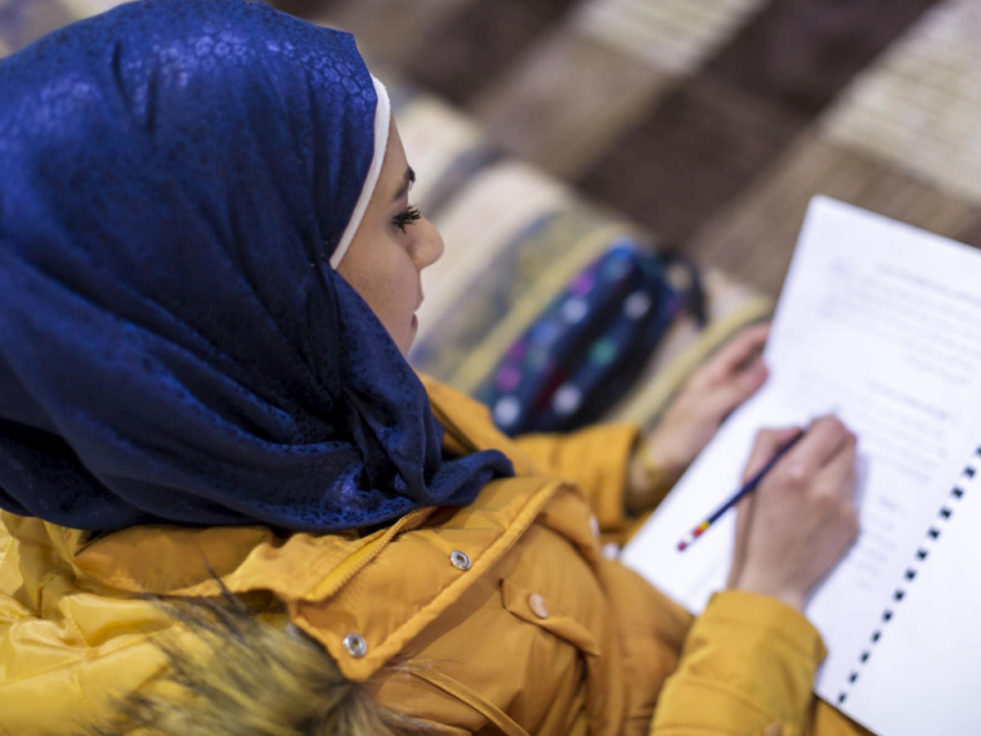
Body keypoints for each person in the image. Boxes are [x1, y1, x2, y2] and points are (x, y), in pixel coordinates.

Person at [0, 1, 868, 734]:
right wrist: (768, 606)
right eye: (400, 216)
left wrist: (634, 464)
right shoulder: (348, 689)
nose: (434, 244)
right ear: (253, 298)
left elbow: (468, 499)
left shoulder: (248, 413)